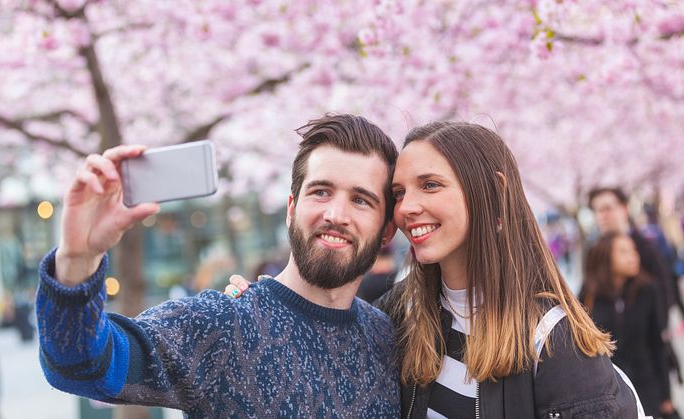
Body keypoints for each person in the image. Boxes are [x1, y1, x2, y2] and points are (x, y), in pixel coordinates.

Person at [229, 121, 639, 418]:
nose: (407, 208)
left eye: (430, 185)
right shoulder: (398, 317)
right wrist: (264, 304)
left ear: (493, 193)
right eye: (398, 193)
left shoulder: (551, 340)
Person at [36, 114, 401, 417]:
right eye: (321, 191)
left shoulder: (387, 338)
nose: (336, 214)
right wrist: (77, 258)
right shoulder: (222, 325)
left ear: (387, 230)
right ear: (291, 209)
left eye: (361, 200)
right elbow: (80, 365)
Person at [589, 187, 682, 385]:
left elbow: (665, 288)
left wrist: (657, 326)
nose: (603, 215)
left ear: (624, 209)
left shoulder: (646, 246)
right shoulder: (594, 253)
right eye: (597, 210)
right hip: (612, 357)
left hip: (646, 354)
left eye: (608, 208)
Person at [581, 232, 678, 418]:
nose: (633, 256)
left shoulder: (648, 290)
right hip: (611, 389)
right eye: (623, 252)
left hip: (647, 385)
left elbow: (658, 344)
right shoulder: (588, 295)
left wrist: (666, 396)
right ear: (606, 256)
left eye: (633, 250)